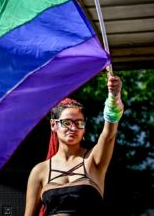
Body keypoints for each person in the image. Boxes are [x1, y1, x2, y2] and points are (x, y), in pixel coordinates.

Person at [24, 72, 124, 216]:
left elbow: (108, 135)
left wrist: (114, 98)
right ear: (53, 125)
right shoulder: (40, 171)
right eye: (67, 123)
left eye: (79, 123)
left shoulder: (94, 160)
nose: (73, 128)